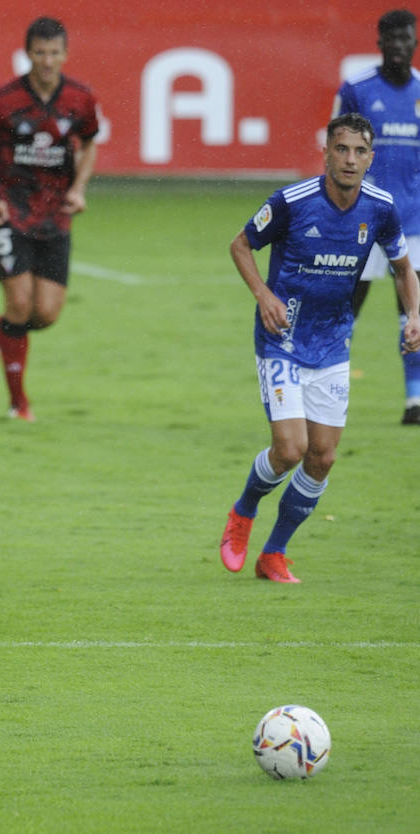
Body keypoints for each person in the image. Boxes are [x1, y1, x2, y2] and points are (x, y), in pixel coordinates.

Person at [219, 113, 420, 583]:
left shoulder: (381, 208)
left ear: (371, 158)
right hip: (282, 338)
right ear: (326, 152)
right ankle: (244, 509)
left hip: (333, 342)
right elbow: (240, 245)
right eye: (342, 149)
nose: (350, 160)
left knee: (323, 457)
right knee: (290, 448)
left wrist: (414, 314)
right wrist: (265, 296)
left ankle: (274, 554)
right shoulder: (292, 202)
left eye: (359, 151)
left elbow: (403, 267)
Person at [0, 16, 99, 421]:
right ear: (28, 53)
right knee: (19, 304)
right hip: (10, 212)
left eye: (55, 53)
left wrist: (79, 188)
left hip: (56, 217)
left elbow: (90, 144)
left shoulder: (81, 98)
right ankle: (19, 403)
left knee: (46, 314)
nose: (47, 61)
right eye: (40, 53)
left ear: (65, 54)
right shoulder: (1, 100)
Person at [333, 9, 420, 424]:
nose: (401, 46)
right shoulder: (357, 90)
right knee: (346, 309)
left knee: (413, 314)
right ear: (380, 43)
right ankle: (332, 394)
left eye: (408, 38)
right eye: (393, 39)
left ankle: (414, 400)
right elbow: (336, 153)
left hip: (415, 222)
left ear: (415, 43)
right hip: (362, 221)